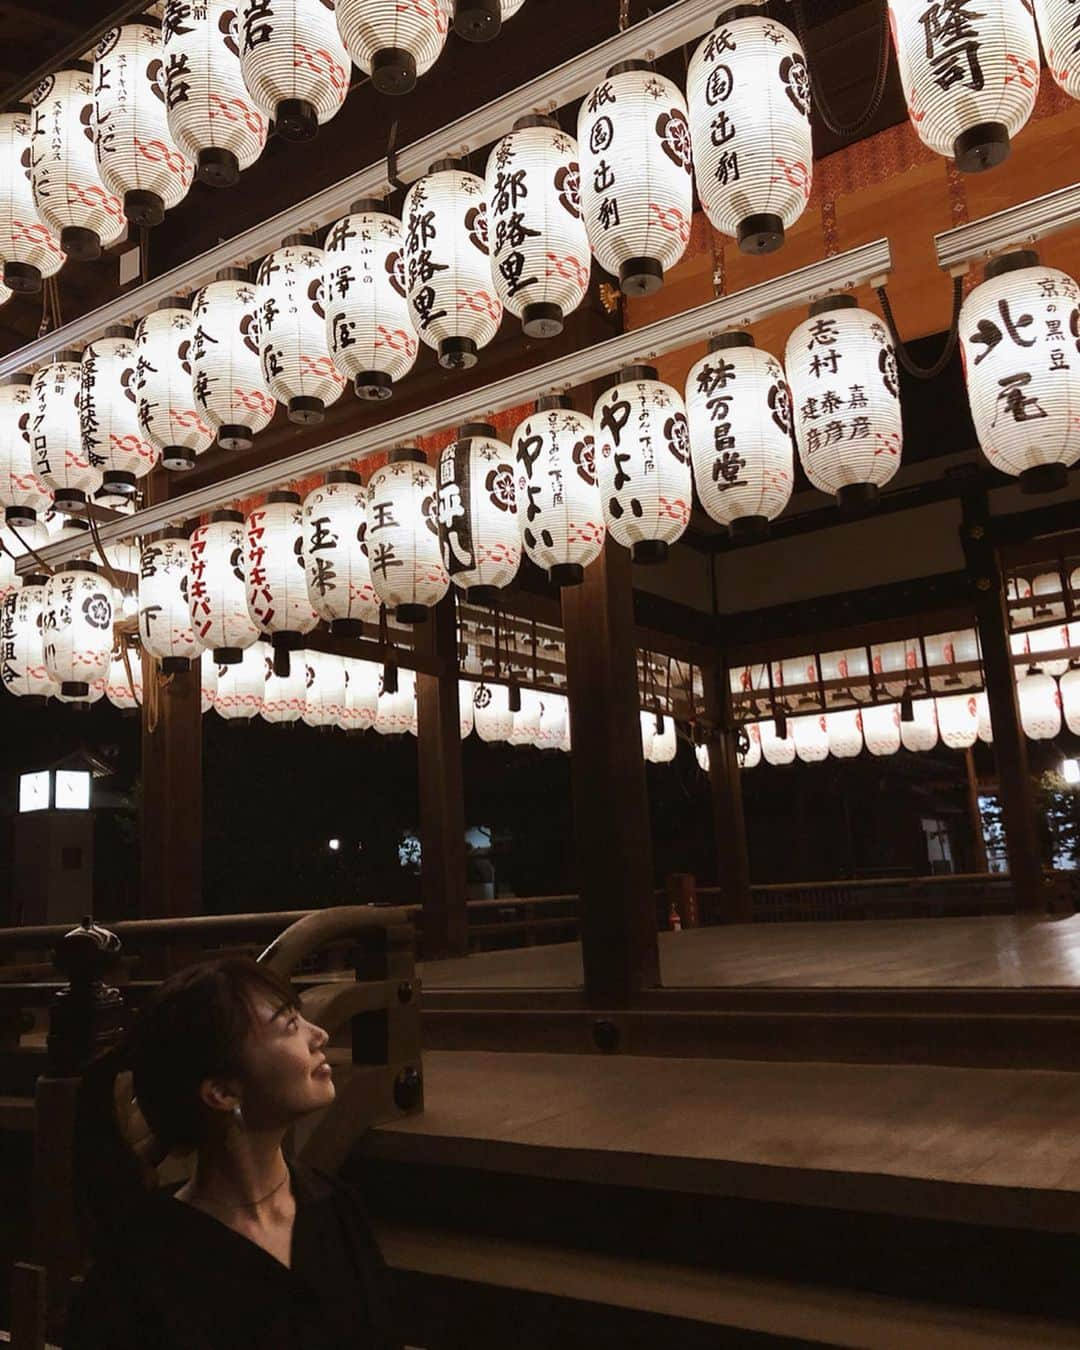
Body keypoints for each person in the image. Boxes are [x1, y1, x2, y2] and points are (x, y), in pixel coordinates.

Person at [63, 956, 401, 1349]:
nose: (319, 1034)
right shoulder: (142, 1264)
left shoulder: (336, 1207)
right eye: (290, 1025)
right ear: (222, 1093)